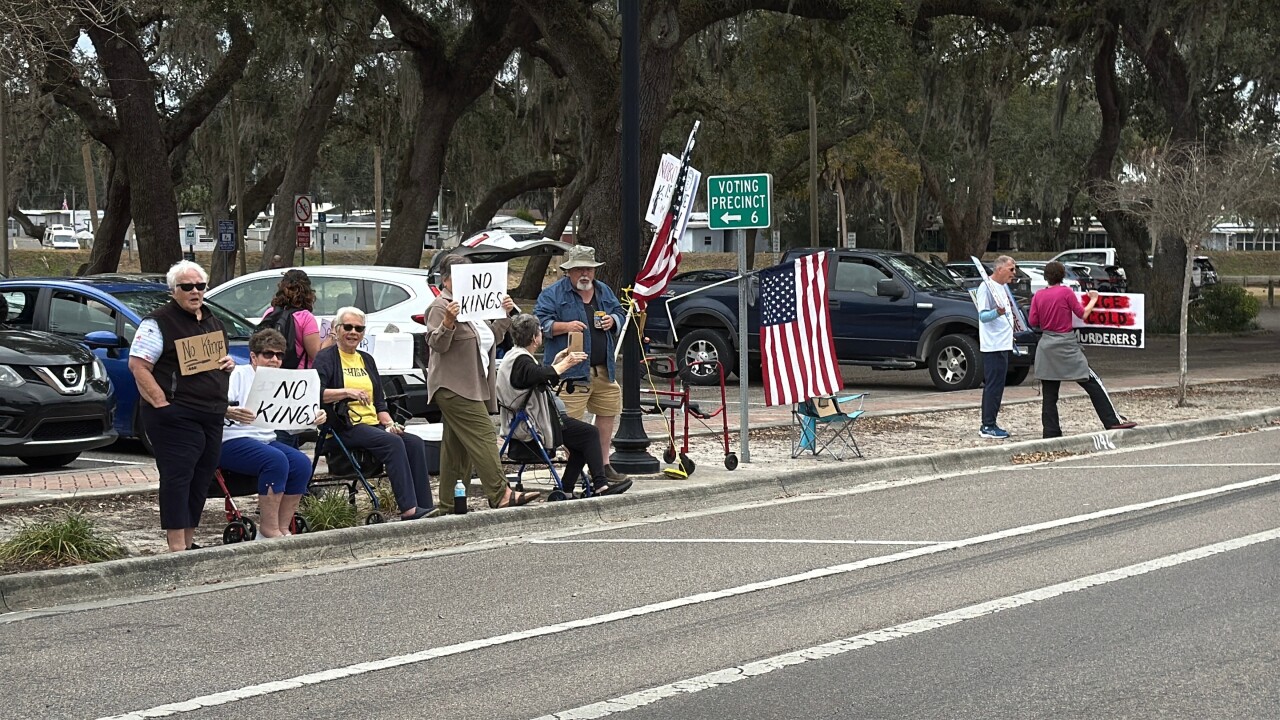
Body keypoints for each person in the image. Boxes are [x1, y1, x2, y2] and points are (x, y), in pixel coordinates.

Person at [128, 260, 237, 552]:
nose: (194, 291)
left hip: (211, 413)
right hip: (176, 414)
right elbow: (138, 366)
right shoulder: (158, 322)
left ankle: (188, 541)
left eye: (200, 286)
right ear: (173, 290)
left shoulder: (213, 322)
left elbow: (216, 361)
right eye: (187, 287)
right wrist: (162, 405)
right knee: (179, 475)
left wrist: (227, 364)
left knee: (202, 475)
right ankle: (176, 546)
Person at [427, 254, 541, 510]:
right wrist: (447, 323)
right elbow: (436, 344)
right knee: (485, 436)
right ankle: (500, 493)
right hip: (452, 385)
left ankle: (450, 505)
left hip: (474, 386)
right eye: (461, 276)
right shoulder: (440, 305)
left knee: (457, 449)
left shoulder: (475, 309)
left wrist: (505, 312)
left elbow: (494, 338)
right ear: (447, 279)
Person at [315, 307, 434, 520]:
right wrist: (345, 392)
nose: (353, 332)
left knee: (413, 442)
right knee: (393, 443)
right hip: (344, 426)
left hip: (373, 425)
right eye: (348, 327)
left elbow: (379, 403)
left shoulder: (366, 359)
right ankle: (408, 509)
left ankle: (425, 505)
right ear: (336, 329)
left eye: (359, 328)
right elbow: (316, 393)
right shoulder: (326, 358)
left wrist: (390, 424)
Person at [497, 314, 633, 497]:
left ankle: (568, 489)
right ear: (534, 338)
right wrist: (566, 363)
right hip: (533, 425)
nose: (541, 335)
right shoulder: (522, 361)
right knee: (589, 434)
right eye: (540, 332)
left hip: (529, 419)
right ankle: (600, 485)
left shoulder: (514, 356)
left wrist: (557, 362)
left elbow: (534, 377)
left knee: (583, 438)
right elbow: (538, 375)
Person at [533, 245, 629, 483]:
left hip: (603, 370)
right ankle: (575, 471)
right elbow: (539, 324)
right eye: (578, 269)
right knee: (568, 423)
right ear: (569, 271)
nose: (584, 274)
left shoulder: (603, 290)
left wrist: (613, 320)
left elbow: (621, 313)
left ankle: (604, 464)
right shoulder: (553, 294)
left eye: (588, 268)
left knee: (607, 413)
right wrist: (566, 326)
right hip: (570, 373)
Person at [220, 329, 327, 537]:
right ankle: (269, 528)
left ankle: (282, 526)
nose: (274, 360)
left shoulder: (281, 380)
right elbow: (218, 404)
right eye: (268, 354)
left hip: (265, 440)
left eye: (279, 355)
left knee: (301, 463)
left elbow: (289, 421)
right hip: (231, 439)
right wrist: (230, 410)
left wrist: (314, 417)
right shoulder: (238, 375)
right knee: (275, 460)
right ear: (254, 356)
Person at [1029, 261, 1138, 438]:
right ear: (1062, 275)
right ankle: (1111, 420)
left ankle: (1051, 432)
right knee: (1093, 382)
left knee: (1049, 394)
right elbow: (1082, 314)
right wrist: (1093, 299)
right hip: (1066, 345)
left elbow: (1033, 322)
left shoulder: (1038, 296)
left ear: (1045, 277)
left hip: (1047, 346)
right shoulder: (1066, 292)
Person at [975, 255, 1025, 440]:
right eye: (1011, 269)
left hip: (1003, 343)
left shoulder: (1002, 287)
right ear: (999, 269)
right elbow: (983, 316)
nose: (1014, 273)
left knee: (999, 386)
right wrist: (997, 312)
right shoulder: (986, 287)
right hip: (993, 345)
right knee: (993, 386)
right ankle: (987, 424)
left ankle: (992, 422)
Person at [261, 269, 328, 370]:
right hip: (298, 377)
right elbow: (317, 355)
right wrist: (333, 336)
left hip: (272, 371)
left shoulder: (270, 312)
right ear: (308, 292)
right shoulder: (305, 317)